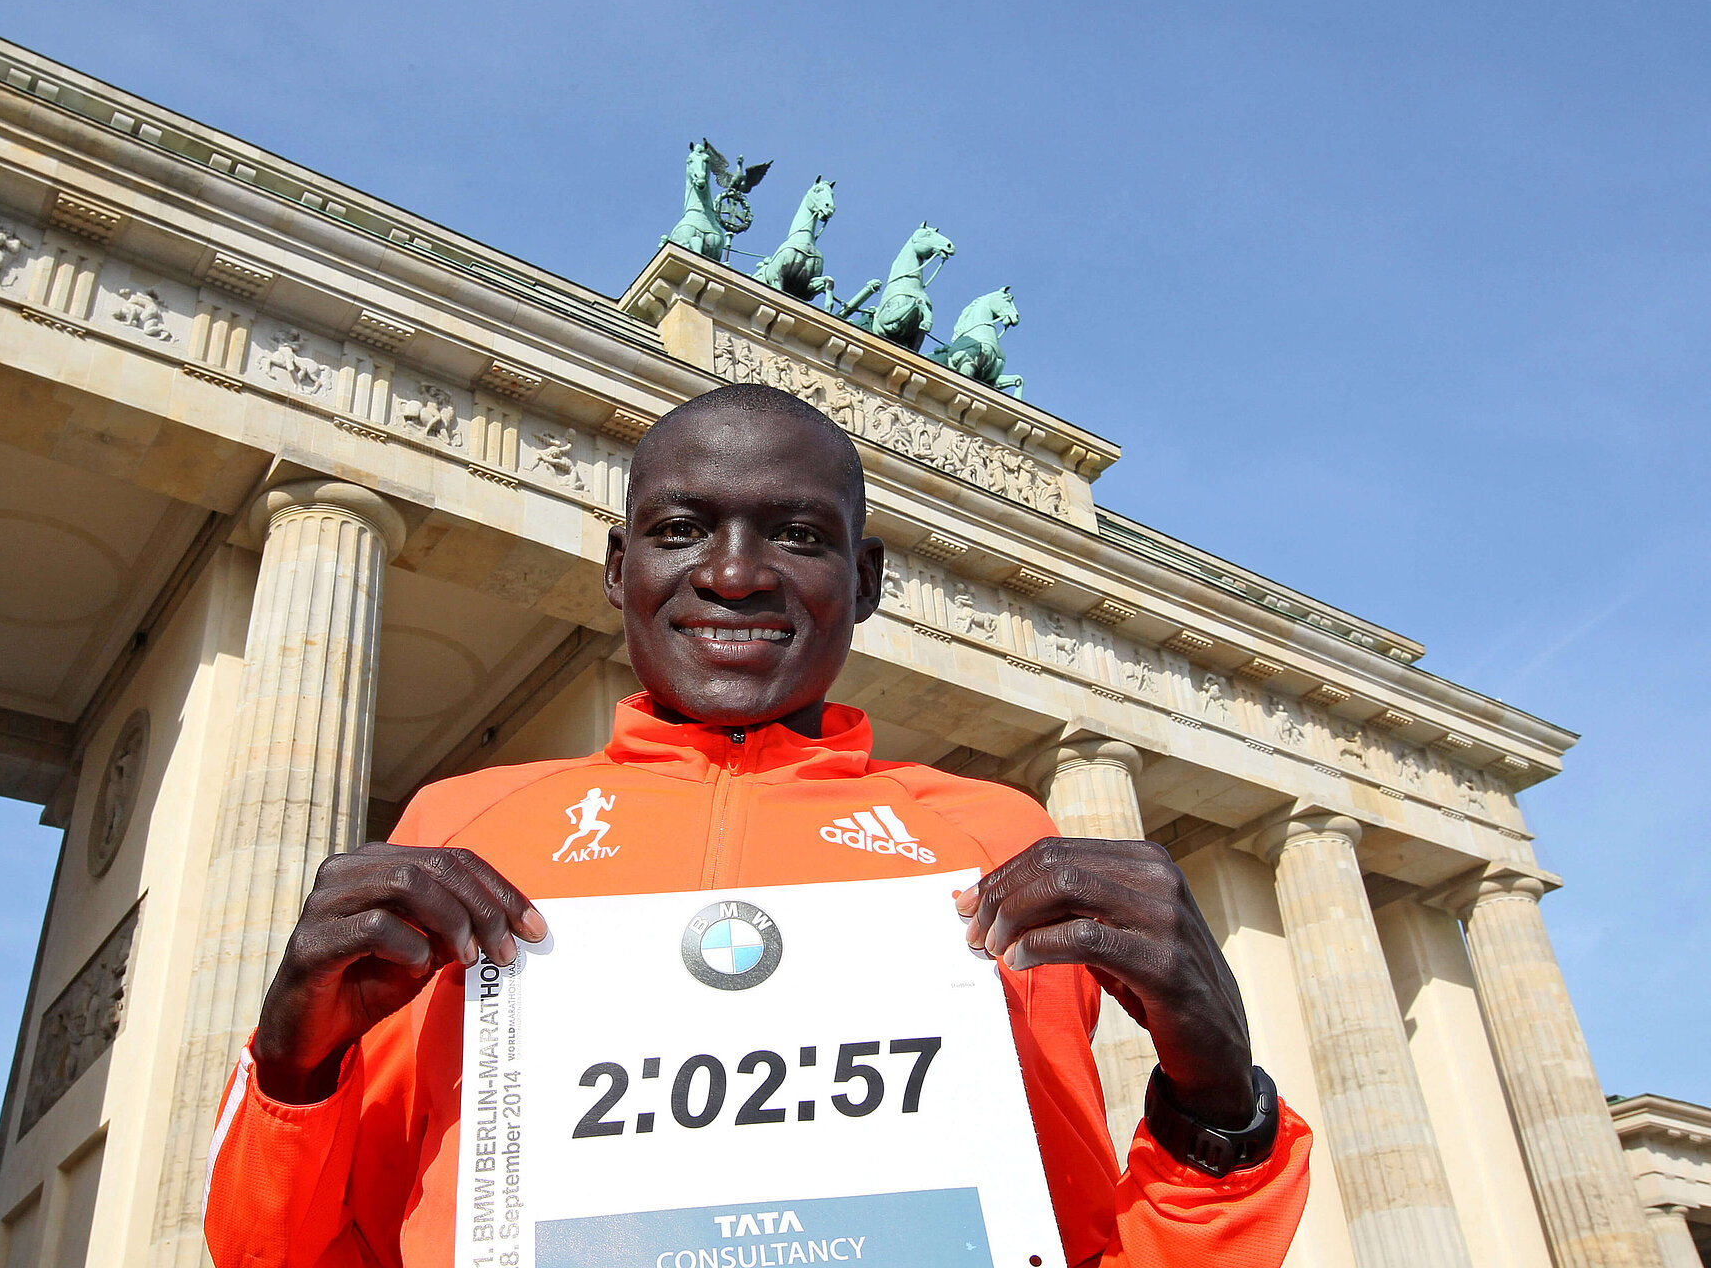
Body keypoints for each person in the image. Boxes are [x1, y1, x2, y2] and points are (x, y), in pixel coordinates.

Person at [205, 384, 1312, 1267]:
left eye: (795, 533)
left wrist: (1221, 1111)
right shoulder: (460, 835)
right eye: (682, 528)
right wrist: (291, 1068)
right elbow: (292, 1252)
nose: (734, 574)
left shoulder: (999, 844)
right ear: (617, 568)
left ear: (866, 577)